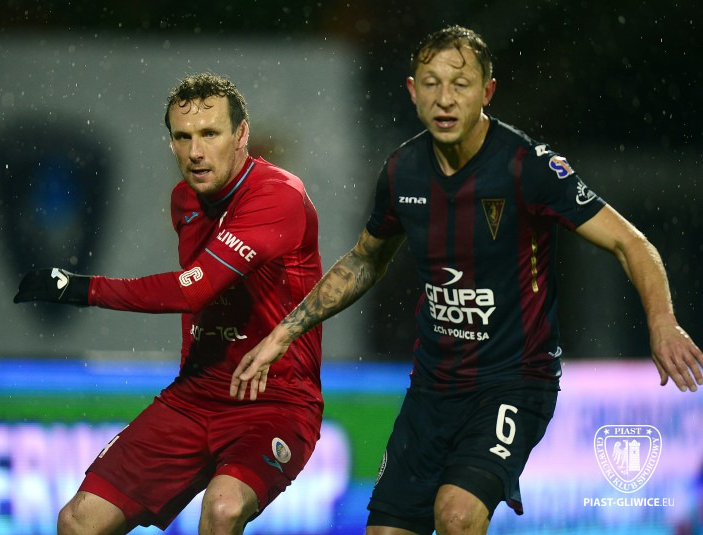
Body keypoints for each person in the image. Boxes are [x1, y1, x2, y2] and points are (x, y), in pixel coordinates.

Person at [230, 25, 703, 535]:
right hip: (432, 388)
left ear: (487, 92)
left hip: (514, 381)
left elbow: (631, 242)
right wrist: (283, 333)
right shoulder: (402, 171)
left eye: (460, 84)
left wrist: (662, 322)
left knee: (457, 514)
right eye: (431, 84)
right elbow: (365, 260)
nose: (445, 99)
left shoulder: (527, 167)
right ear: (412, 92)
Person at [13, 73, 324, 534]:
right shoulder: (184, 200)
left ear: (241, 134)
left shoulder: (277, 195)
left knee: (223, 509)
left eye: (210, 134)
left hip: (274, 400)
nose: (195, 151)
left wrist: (83, 289)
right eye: (183, 137)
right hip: (194, 397)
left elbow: (192, 289)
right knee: (78, 521)